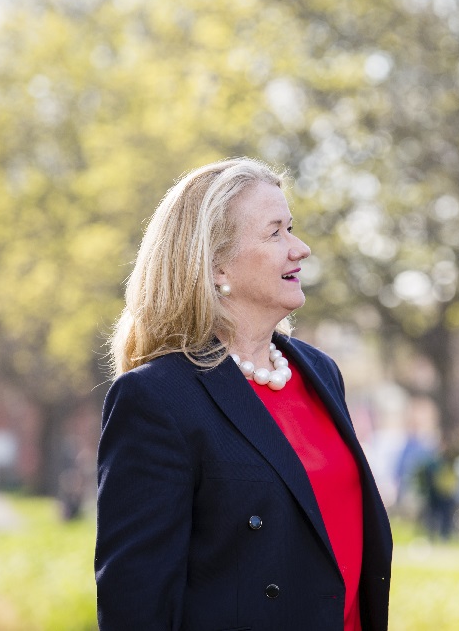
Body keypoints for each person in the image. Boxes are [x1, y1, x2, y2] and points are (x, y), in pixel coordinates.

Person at [95, 158, 392, 630]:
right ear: (214, 265)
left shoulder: (320, 373)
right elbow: (137, 604)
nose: (301, 248)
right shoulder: (155, 399)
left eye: (291, 228)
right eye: (275, 233)